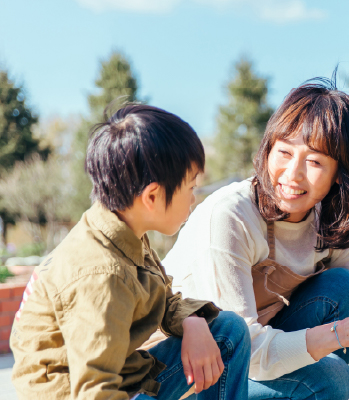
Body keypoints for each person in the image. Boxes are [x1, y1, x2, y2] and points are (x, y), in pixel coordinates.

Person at [162, 78, 349, 400]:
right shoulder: (230, 216)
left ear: (340, 173)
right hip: (187, 377)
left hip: (249, 362)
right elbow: (243, 348)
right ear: (268, 149)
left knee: (343, 288)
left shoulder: (331, 222)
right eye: (284, 152)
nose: (292, 174)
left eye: (314, 161)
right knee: (330, 377)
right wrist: (340, 334)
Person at [10, 104, 250, 400]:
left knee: (226, 331)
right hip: (85, 392)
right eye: (190, 187)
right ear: (152, 196)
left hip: (126, 374)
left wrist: (193, 321)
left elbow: (163, 298)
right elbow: (95, 390)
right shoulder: (101, 275)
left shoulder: (123, 229)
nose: (193, 199)